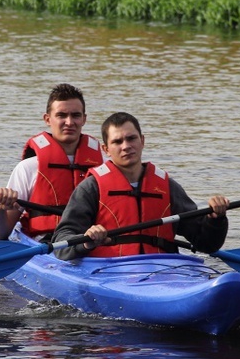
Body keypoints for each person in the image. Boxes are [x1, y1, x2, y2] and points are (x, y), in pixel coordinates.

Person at [51, 111, 230, 260]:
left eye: (131, 138)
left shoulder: (167, 187)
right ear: (106, 149)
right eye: (117, 142)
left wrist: (216, 219)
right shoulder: (91, 188)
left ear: (142, 141)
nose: (126, 146)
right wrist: (86, 240)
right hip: (109, 271)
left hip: (163, 269)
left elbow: (206, 244)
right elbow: (61, 243)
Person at [0, 83, 105, 242]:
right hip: (45, 246)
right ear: (47, 119)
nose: (69, 122)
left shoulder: (102, 168)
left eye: (76, 115)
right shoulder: (28, 168)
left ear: (84, 119)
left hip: (88, 244)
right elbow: (0, 234)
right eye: (61, 115)